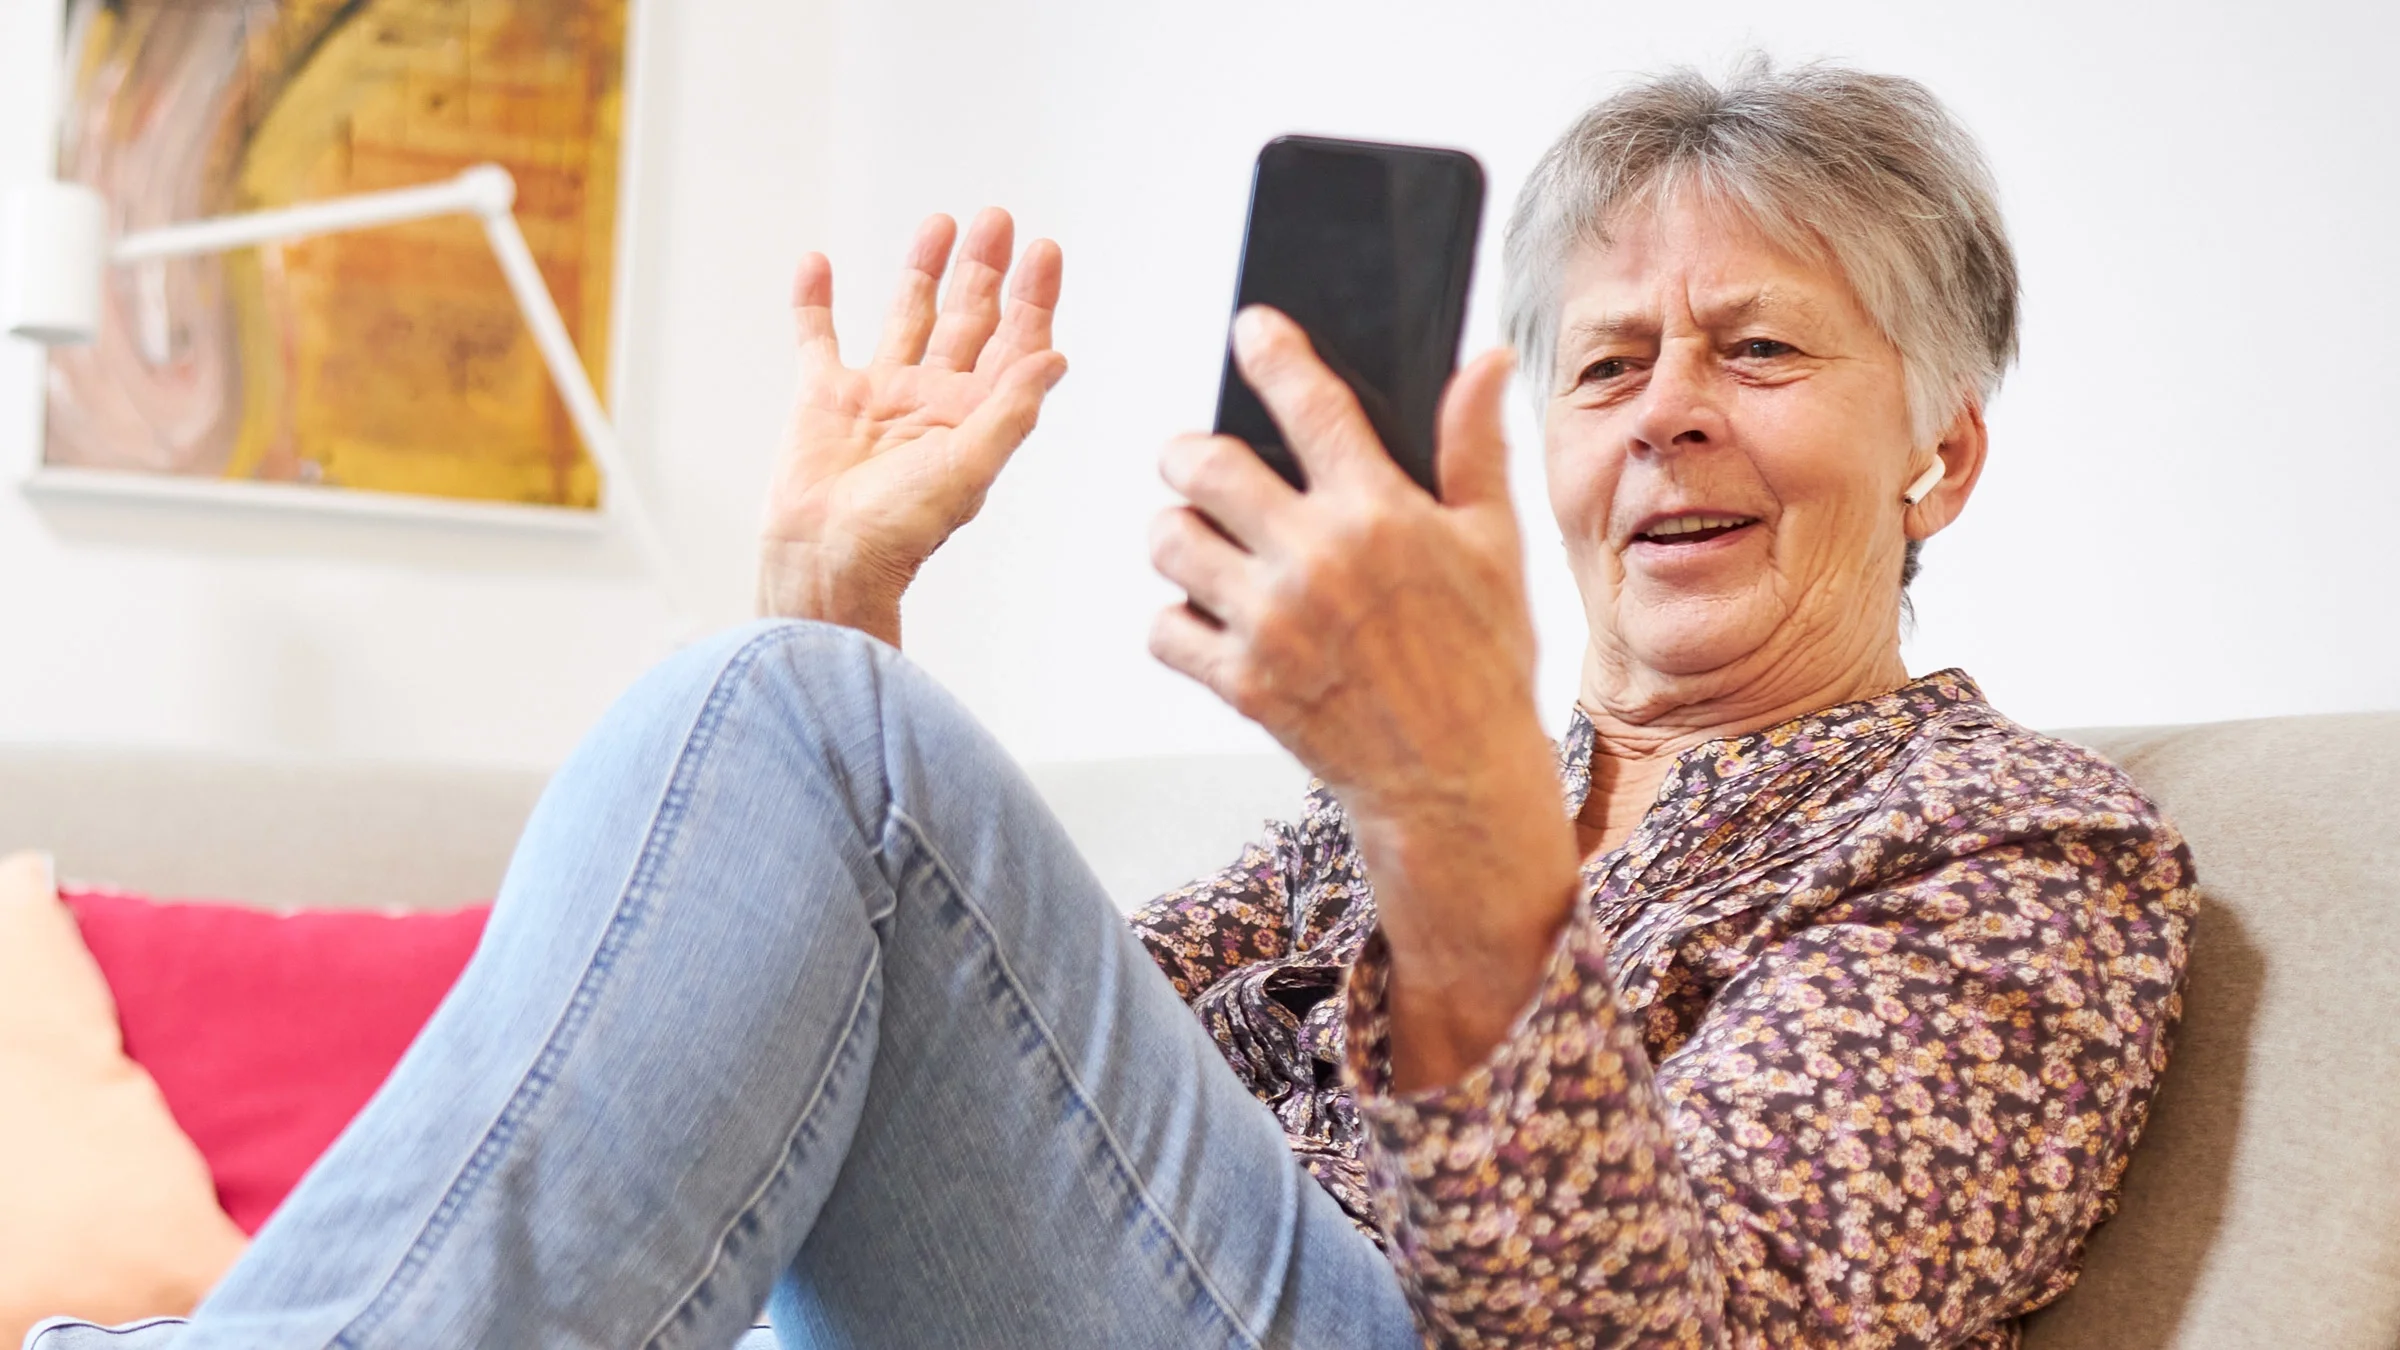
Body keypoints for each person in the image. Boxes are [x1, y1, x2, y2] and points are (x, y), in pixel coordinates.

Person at [32, 57, 2193, 1350]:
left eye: (1762, 352)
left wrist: (1458, 821)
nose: (1666, 422)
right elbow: (972, 1058)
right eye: (1608, 366)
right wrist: (842, 602)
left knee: (807, 728)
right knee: (794, 687)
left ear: (1944, 450)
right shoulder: (1388, 813)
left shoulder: (2013, 852)